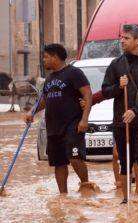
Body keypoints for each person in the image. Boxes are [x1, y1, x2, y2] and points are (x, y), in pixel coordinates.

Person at [101, 24, 138, 204]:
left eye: (126, 38)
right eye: (121, 37)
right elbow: (105, 91)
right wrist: (118, 87)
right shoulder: (116, 64)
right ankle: (126, 201)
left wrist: (135, 111)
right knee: (124, 161)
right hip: (121, 121)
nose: (122, 41)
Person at [24, 43, 93, 194]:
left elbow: (88, 95)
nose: (44, 60)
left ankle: (86, 186)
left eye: (46, 57)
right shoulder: (49, 79)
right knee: (58, 162)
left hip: (73, 124)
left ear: (55, 57)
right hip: (54, 126)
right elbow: (43, 100)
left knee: (75, 157)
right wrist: (31, 112)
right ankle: (63, 196)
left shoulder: (74, 73)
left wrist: (84, 119)